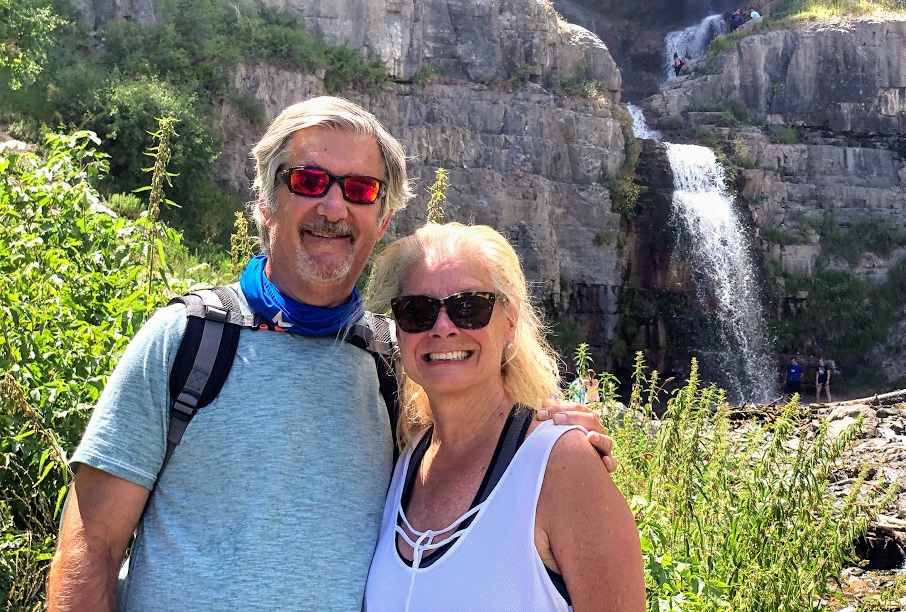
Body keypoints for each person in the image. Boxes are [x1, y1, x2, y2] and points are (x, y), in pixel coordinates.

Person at [48, 97, 614, 612]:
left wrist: (560, 438)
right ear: (267, 204)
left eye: (360, 189)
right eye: (310, 180)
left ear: (383, 219)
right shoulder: (187, 341)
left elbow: (478, 433)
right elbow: (89, 547)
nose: (334, 206)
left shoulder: (394, 360)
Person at [362, 222, 645, 611]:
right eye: (418, 311)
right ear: (398, 329)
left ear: (510, 320)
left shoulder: (559, 464)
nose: (443, 328)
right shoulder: (405, 460)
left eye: (470, 307)